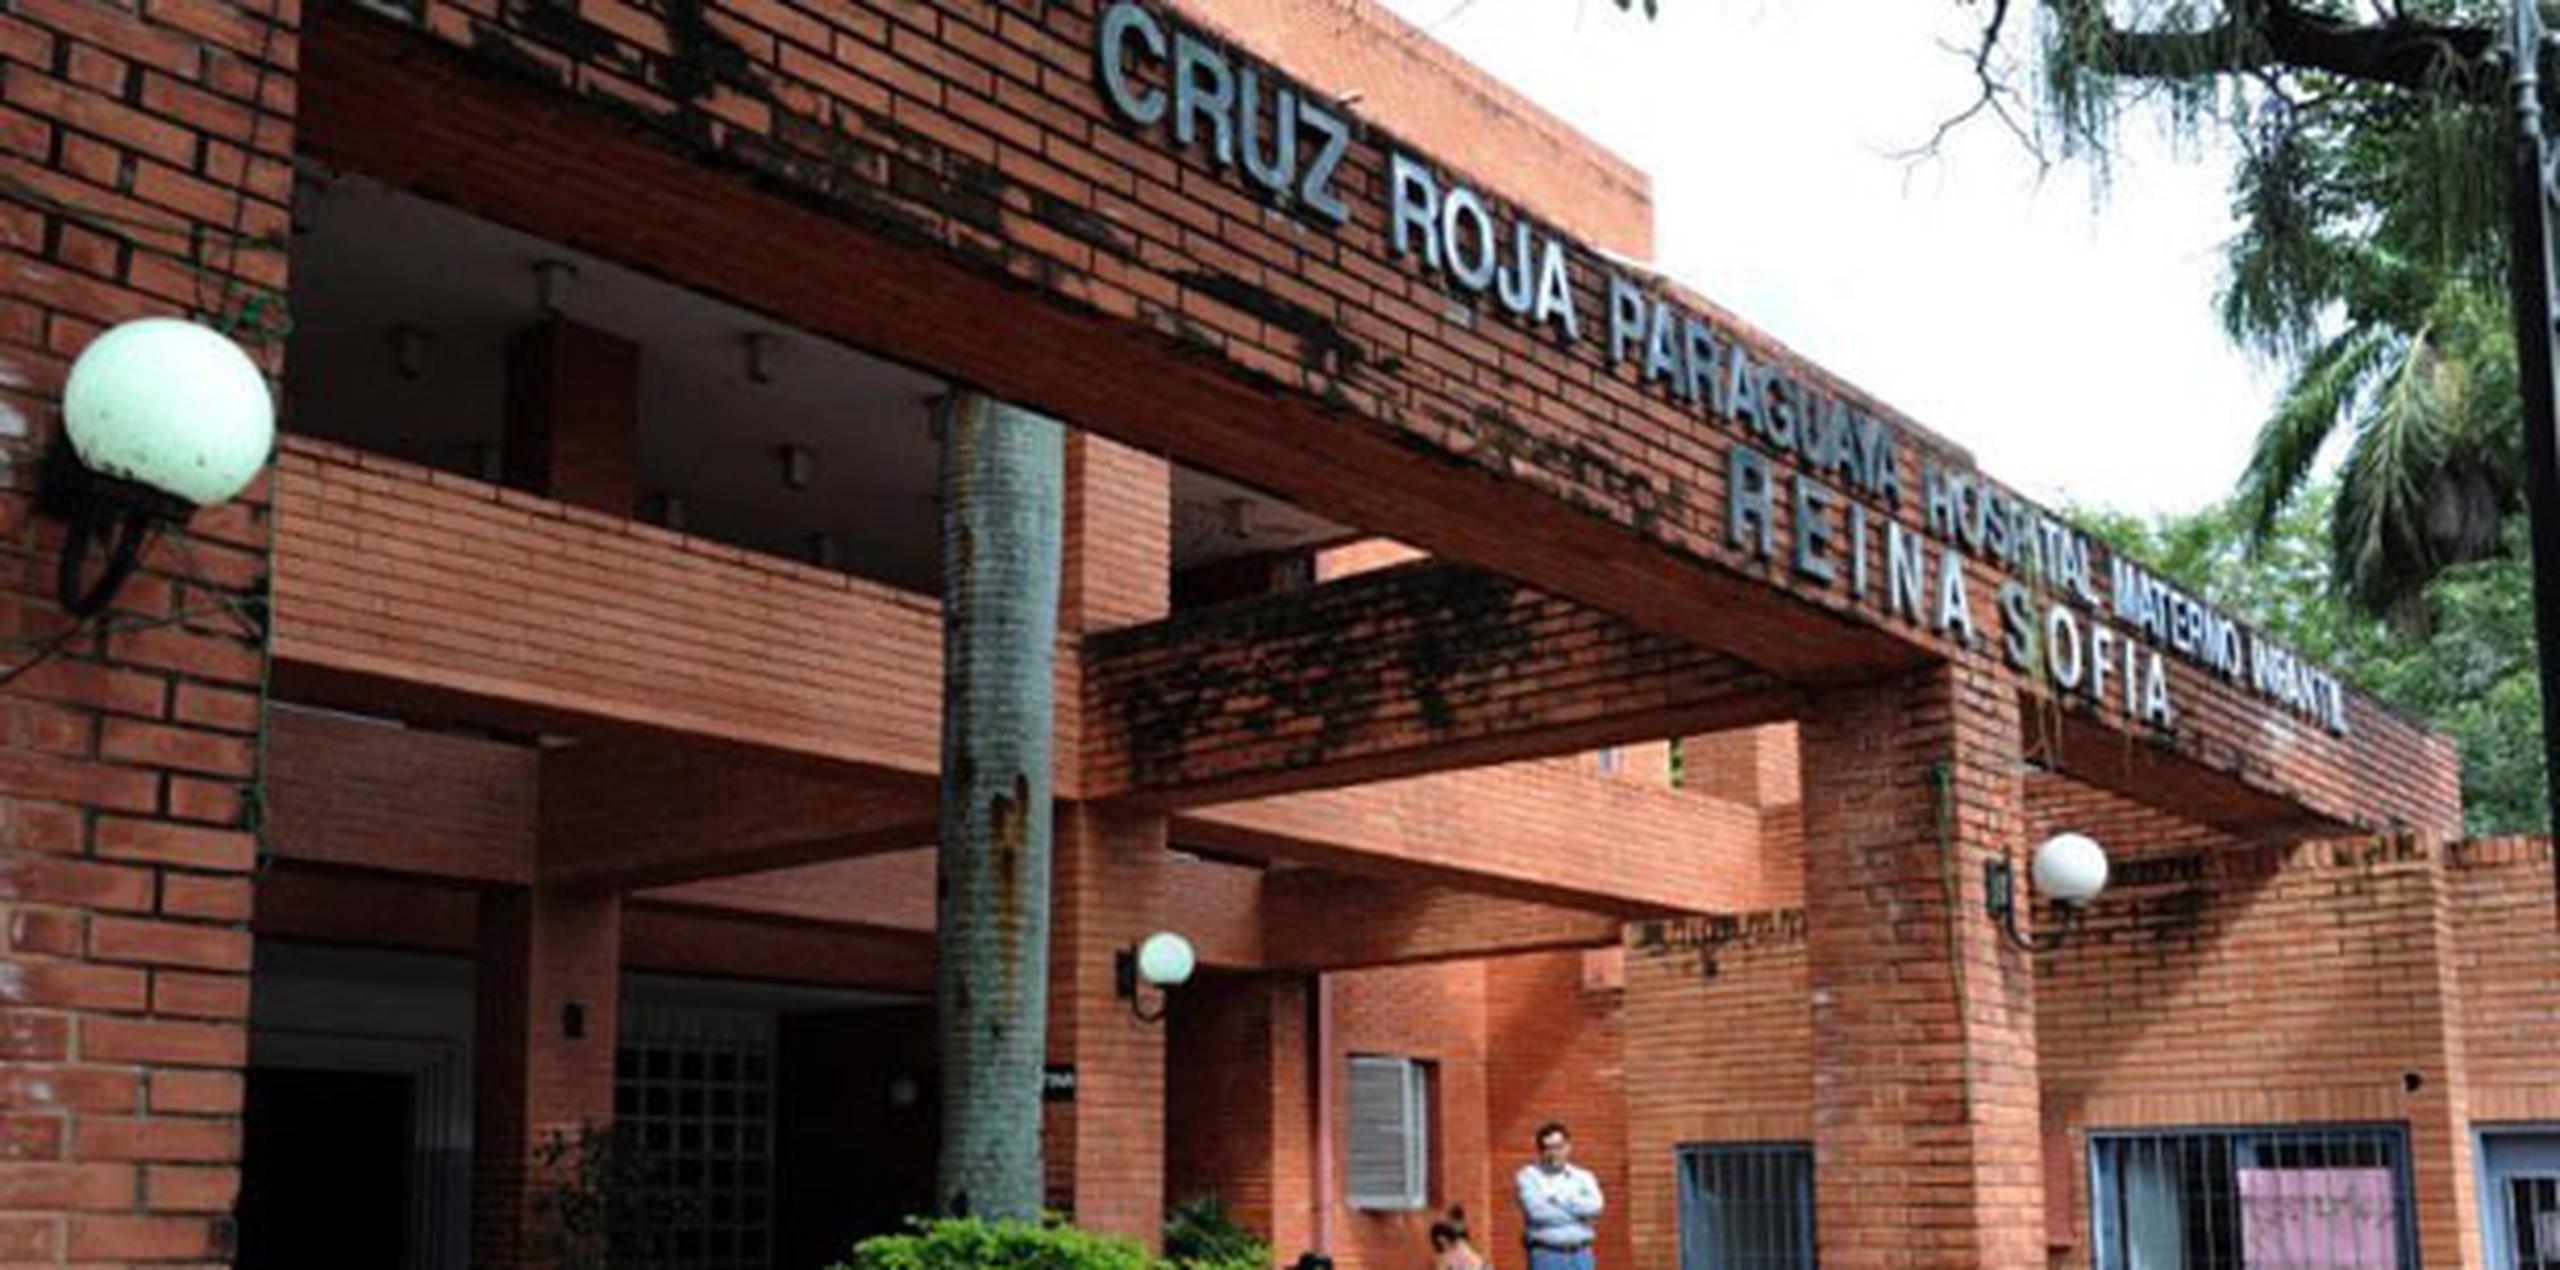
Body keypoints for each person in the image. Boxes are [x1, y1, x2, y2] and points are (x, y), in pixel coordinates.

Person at [1514, 1121, 1603, 1270]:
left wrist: (1556, 1199)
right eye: (1547, 1148)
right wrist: (1581, 1216)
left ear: (1568, 1147)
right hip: (1548, 1256)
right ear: (1540, 1150)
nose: (1553, 1153)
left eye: (1558, 1147)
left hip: (1582, 1255)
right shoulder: (1528, 1176)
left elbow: (1596, 1207)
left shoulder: (1584, 1177)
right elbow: (1538, 1214)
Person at [1428, 1205, 1490, 1270]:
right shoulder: (1444, 1254)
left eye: (1446, 1241)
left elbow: (1475, 1264)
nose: (1445, 1245)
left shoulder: (1461, 1246)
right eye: (1441, 1243)